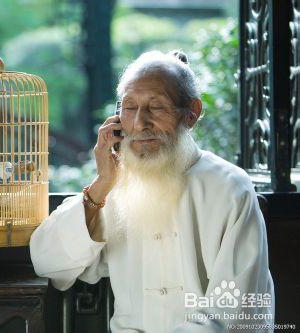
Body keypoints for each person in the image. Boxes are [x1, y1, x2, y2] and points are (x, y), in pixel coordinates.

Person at [29, 50, 275, 332]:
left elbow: (235, 312)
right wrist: (101, 185)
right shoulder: (115, 187)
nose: (140, 122)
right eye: (130, 107)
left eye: (156, 107)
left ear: (192, 113)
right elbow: (47, 262)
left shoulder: (229, 187)